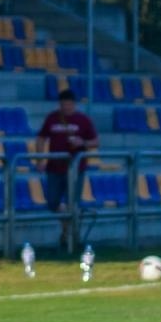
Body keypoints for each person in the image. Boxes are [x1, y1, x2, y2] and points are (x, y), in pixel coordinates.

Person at [37, 88, 98, 247]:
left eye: (69, 105)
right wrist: (40, 159)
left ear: (74, 105)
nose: (66, 108)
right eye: (64, 105)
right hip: (54, 167)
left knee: (73, 203)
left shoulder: (83, 120)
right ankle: (67, 230)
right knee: (52, 201)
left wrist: (82, 142)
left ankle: (69, 238)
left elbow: (95, 141)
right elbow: (41, 138)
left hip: (75, 169)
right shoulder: (52, 118)